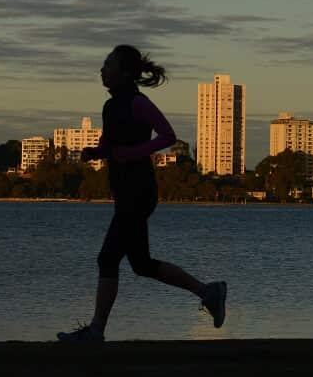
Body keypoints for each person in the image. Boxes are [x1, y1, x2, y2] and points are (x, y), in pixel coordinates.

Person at [57, 45, 227, 342]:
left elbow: (168, 136)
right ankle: (208, 292)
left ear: (123, 72)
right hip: (123, 190)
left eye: (107, 64)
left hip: (140, 190)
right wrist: (96, 152)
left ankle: (96, 330)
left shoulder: (139, 103)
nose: (102, 70)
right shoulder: (110, 107)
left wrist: (134, 152)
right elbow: (111, 145)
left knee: (108, 258)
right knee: (141, 264)